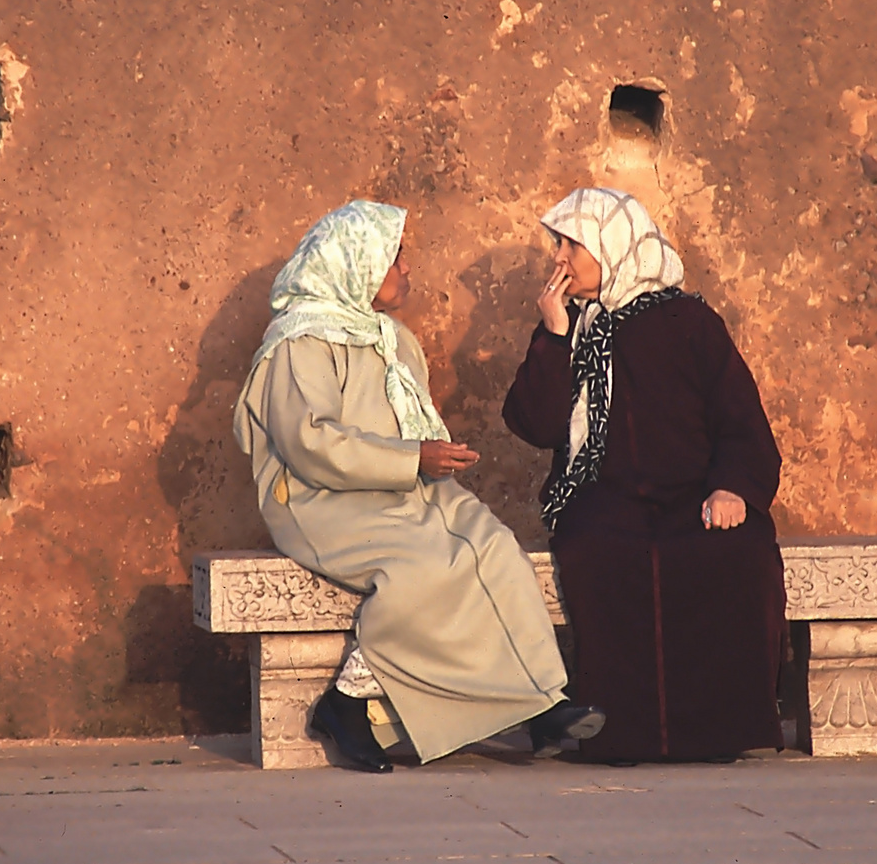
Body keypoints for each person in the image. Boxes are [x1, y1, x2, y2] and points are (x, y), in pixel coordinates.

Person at [233, 200, 604, 772]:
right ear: (356, 265)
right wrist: (413, 459)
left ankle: (541, 701)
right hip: (321, 498)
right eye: (395, 259)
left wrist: (429, 459)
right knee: (427, 566)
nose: (407, 270)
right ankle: (348, 702)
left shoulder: (391, 339)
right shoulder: (298, 344)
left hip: (401, 485)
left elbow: (408, 423)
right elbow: (311, 445)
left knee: (495, 550)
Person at [502, 187, 786, 763]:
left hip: (692, 496)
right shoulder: (574, 327)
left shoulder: (690, 322)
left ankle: (715, 733)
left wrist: (733, 487)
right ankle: (615, 734)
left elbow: (741, 420)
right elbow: (535, 423)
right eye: (556, 243)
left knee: (738, 552)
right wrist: (554, 336)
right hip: (602, 500)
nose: (558, 258)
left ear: (611, 247)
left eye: (570, 244)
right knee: (599, 556)